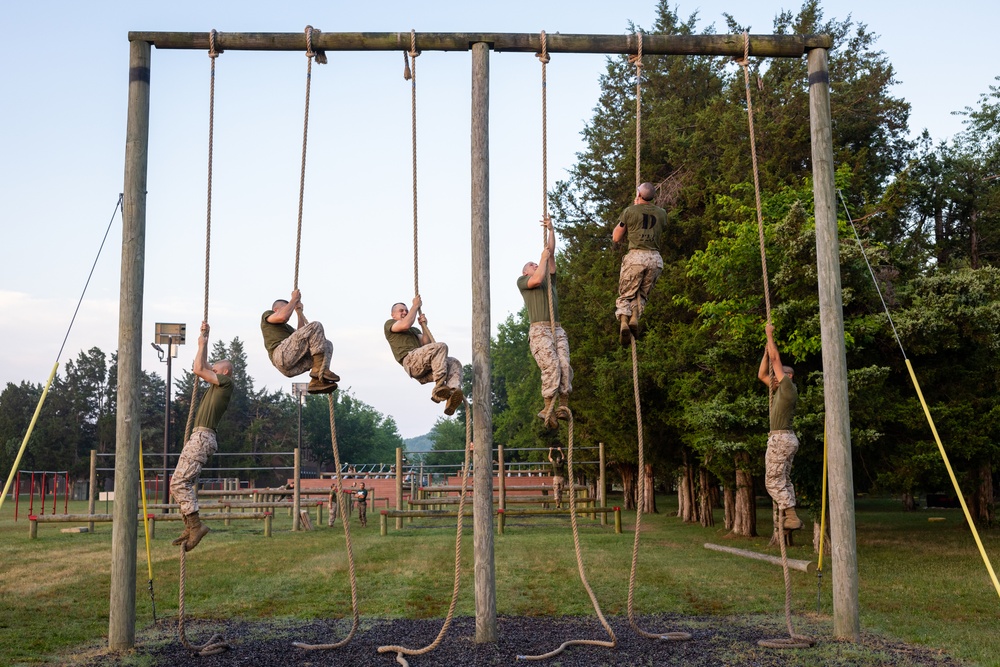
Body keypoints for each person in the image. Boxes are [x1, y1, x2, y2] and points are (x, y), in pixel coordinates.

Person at [170, 322, 233, 552]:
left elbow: (198, 368)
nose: (211, 371)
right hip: (200, 436)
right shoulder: (218, 383)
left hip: (203, 437)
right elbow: (202, 364)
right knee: (175, 483)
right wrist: (204, 337)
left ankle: (196, 526)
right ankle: (190, 525)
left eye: (215, 369)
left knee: (179, 483)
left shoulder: (226, 383)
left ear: (224, 373)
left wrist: (202, 344)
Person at [519, 219, 572, 428]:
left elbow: (550, 253)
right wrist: (541, 259)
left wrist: (551, 230)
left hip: (556, 328)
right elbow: (537, 279)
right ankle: (548, 406)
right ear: (526, 272)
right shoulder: (523, 282)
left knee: (564, 364)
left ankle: (563, 405)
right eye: (531, 264)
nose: (536, 264)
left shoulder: (551, 279)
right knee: (551, 365)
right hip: (540, 329)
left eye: (536, 263)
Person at [757, 323, 803, 531]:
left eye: (779, 374)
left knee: (772, 482)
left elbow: (777, 361)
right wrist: (766, 355)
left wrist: (769, 335)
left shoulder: (787, 388)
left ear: (788, 376)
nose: (774, 378)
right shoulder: (780, 390)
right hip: (787, 439)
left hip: (781, 439)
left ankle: (791, 516)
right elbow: (762, 375)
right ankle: (791, 517)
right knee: (784, 480)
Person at [384, 296, 464, 415]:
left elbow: (426, 344)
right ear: (393, 315)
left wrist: (423, 326)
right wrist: (415, 306)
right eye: (401, 311)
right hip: (410, 362)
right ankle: (439, 388)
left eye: (406, 310)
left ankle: (451, 394)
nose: (405, 312)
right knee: (441, 346)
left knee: (453, 362)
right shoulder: (390, 324)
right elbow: (405, 324)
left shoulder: (414, 330)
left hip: (424, 369)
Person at [612, 182, 666, 345]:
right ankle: (635, 317)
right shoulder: (662, 213)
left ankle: (623, 321)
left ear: (638, 195)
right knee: (641, 294)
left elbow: (616, 236)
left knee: (626, 294)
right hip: (655, 260)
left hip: (636, 257)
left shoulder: (630, 211)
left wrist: (634, 208)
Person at [261, 289, 339, 394]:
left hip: (291, 366)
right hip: (280, 356)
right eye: (287, 308)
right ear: (276, 310)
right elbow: (283, 317)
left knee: (327, 345)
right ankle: (319, 372)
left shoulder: (287, 328)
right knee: (315, 325)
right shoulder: (267, 316)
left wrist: (299, 314)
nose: (290, 311)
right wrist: (294, 299)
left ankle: (317, 380)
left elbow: (301, 336)